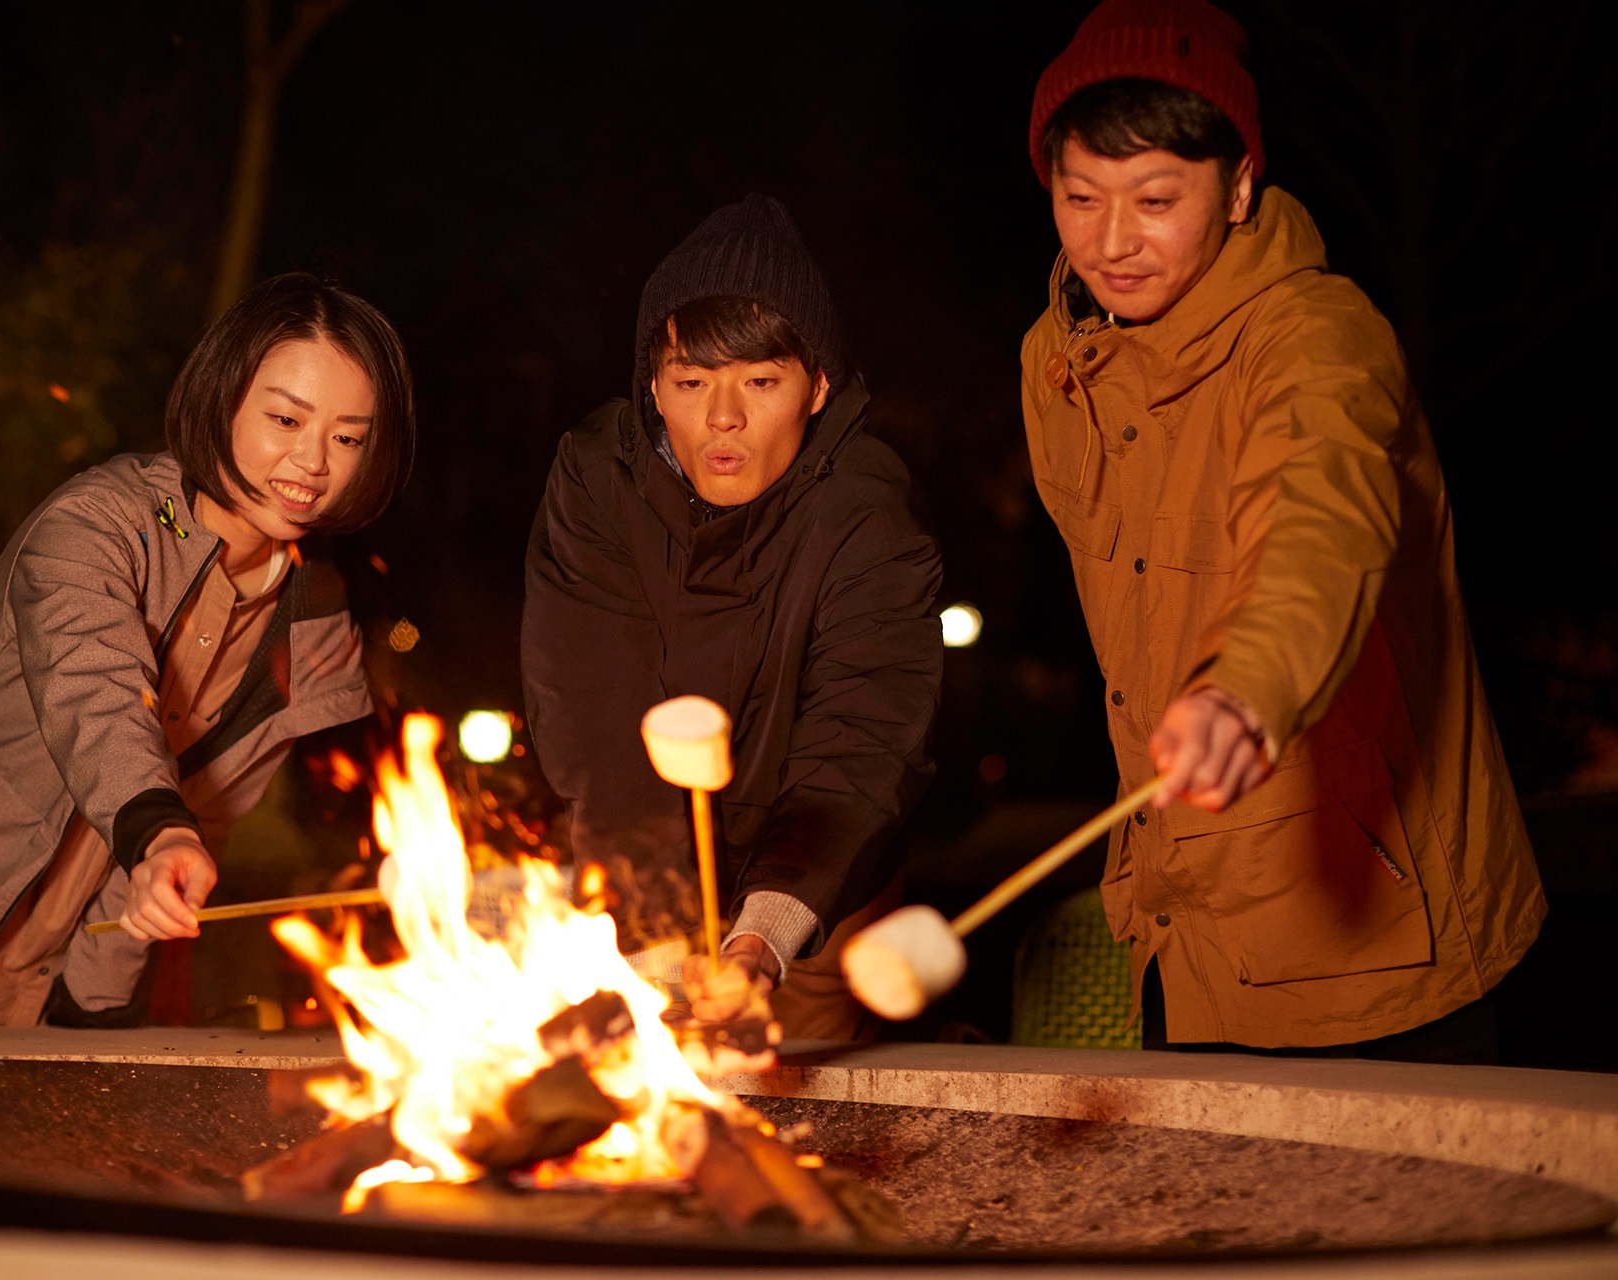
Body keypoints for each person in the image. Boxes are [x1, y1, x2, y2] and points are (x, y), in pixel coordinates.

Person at [1019, 0, 1544, 1059]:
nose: (1110, 240)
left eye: (1156, 199)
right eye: (1081, 197)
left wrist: (1247, 686)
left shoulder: (1317, 337)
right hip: (1182, 931)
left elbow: (1323, 520)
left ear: (1242, 184)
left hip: (1375, 951)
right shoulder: (1058, 361)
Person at [0, 273, 416, 1027]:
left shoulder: (313, 618)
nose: (314, 463)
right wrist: (157, 829)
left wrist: (97, 994)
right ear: (222, 398)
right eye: (286, 419)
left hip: (57, 942)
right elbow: (91, 688)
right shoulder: (99, 524)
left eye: (348, 436)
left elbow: (210, 813)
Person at [522, 195, 943, 1041]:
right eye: (691, 382)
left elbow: (862, 739)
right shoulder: (596, 481)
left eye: (760, 381)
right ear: (654, 385)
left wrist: (768, 933)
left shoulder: (867, 509)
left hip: (820, 888)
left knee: (811, 1120)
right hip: (642, 879)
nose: (723, 418)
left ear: (816, 385)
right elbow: (596, 717)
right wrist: (655, 949)